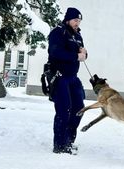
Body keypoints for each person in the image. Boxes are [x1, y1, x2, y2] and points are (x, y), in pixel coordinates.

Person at [47, 7, 87, 154]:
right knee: (64, 110)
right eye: (75, 20)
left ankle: (69, 141)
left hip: (73, 77)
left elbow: (81, 53)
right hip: (60, 76)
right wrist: (76, 56)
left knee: (79, 109)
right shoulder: (58, 32)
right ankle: (59, 145)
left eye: (79, 21)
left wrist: (84, 53)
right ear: (68, 19)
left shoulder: (77, 35)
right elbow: (55, 52)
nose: (78, 23)